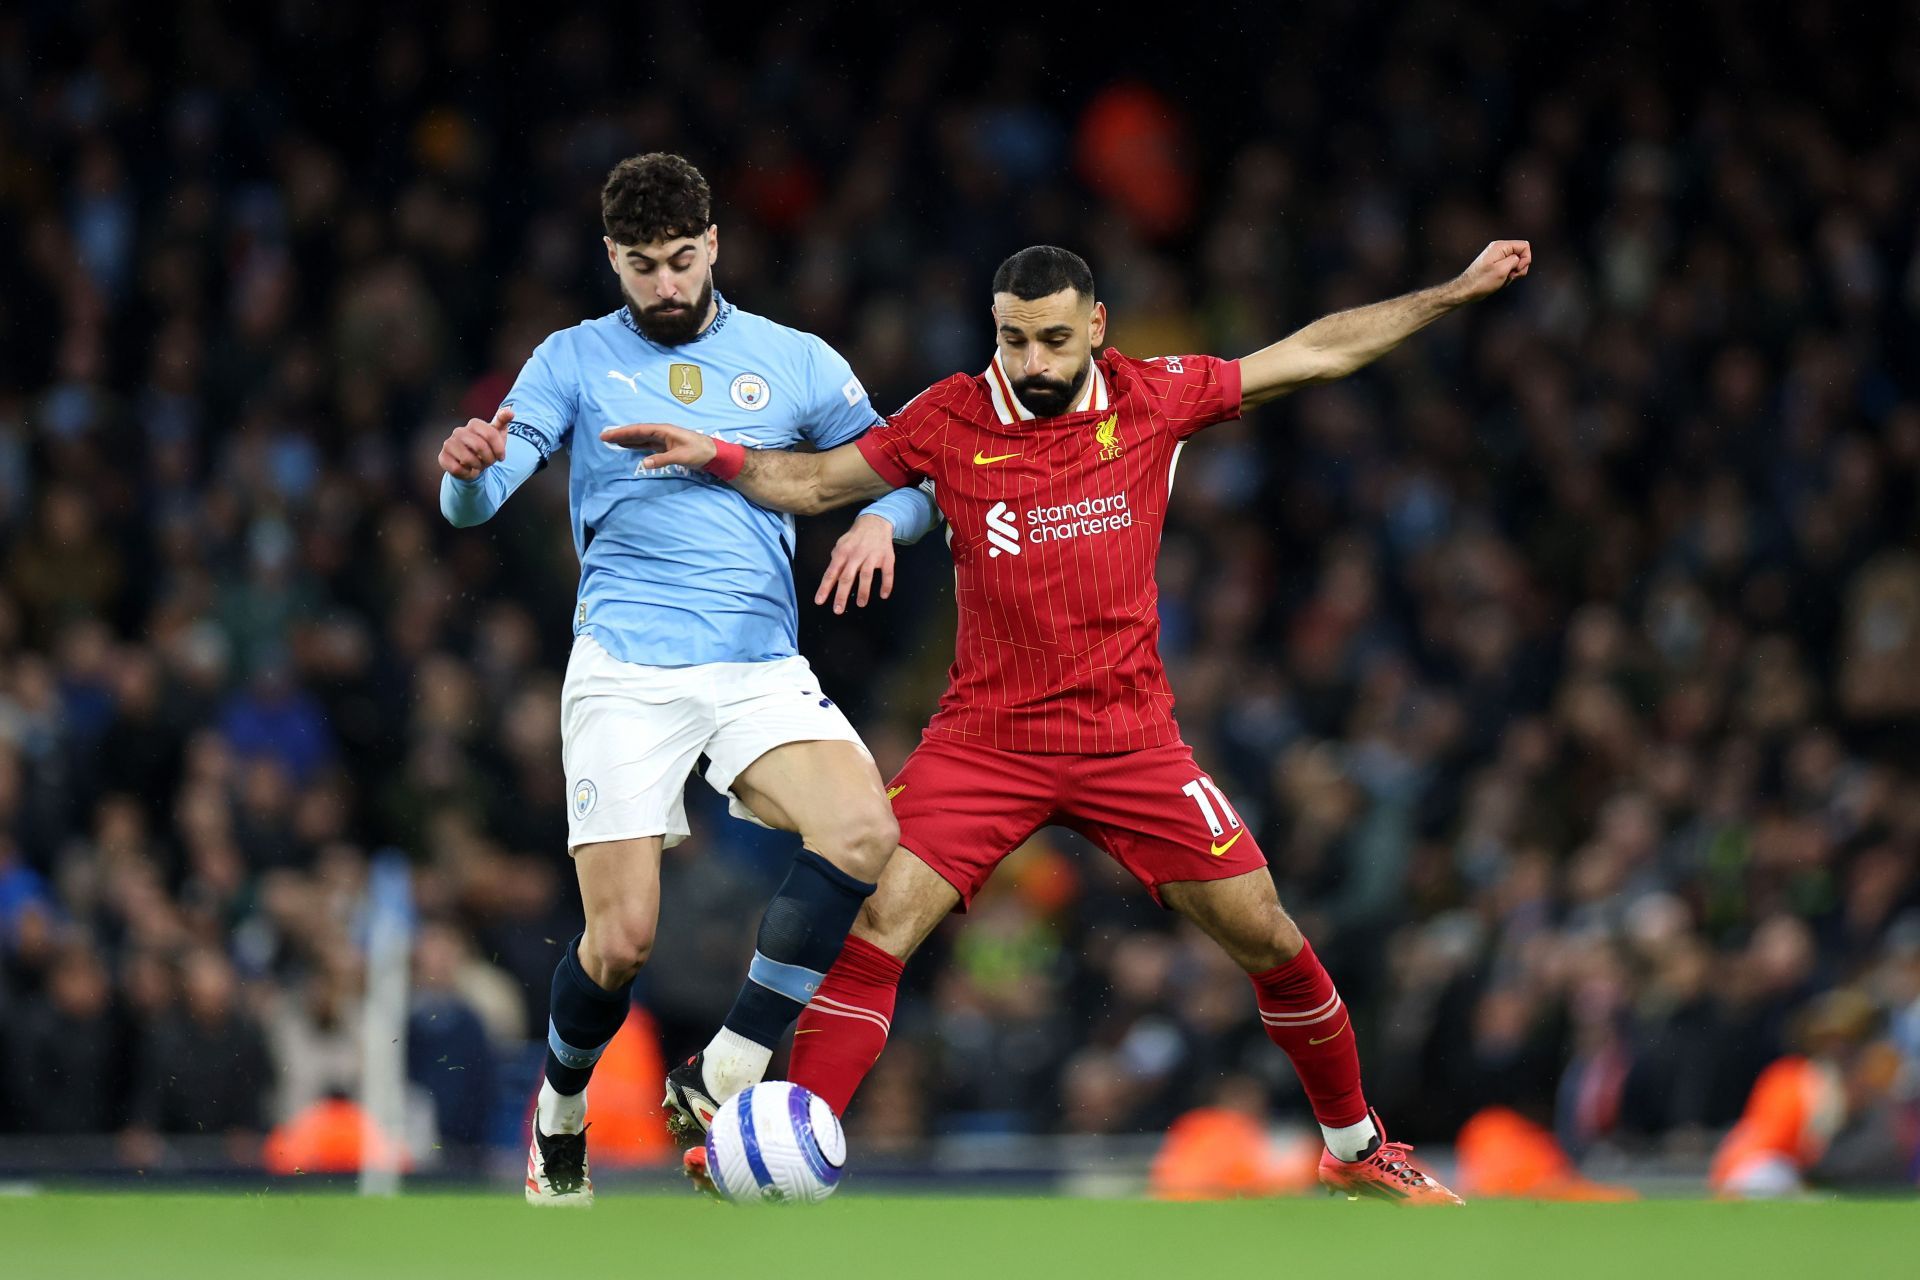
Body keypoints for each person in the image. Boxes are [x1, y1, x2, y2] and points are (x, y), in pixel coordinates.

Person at [612, 238, 1533, 1202]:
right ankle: (786, 1144)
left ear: (1096, 327)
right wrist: (717, 455)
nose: (1036, 364)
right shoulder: (948, 417)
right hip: (984, 742)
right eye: (1015, 341)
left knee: (1266, 932)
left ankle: (1355, 1148)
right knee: (877, 918)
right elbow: (811, 483)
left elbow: (1313, 353)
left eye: (1055, 339)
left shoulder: (1154, 397)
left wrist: (1454, 293)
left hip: (1130, 740)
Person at [436, 152, 942, 1206]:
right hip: (624, 669)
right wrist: (467, 479)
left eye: (678, 260)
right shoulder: (572, 358)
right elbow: (483, 498)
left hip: (756, 664)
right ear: (610, 260)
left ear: (713, 243)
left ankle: (726, 1065)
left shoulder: (793, 359)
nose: (664, 285)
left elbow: (905, 474)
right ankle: (560, 1107)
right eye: (640, 266)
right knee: (620, 942)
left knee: (862, 830)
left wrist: (879, 525)